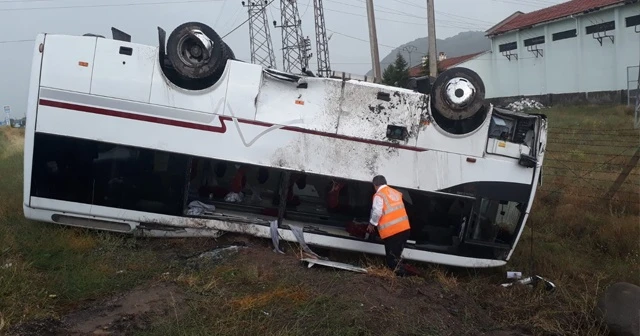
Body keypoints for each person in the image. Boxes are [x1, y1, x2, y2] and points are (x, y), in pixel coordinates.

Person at [367, 175, 411, 275]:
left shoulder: (379, 195)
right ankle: (401, 276)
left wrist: (372, 224)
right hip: (404, 229)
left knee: (392, 260)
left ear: (375, 185)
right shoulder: (395, 192)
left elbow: (377, 212)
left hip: (393, 231)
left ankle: (400, 279)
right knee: (396, 256)